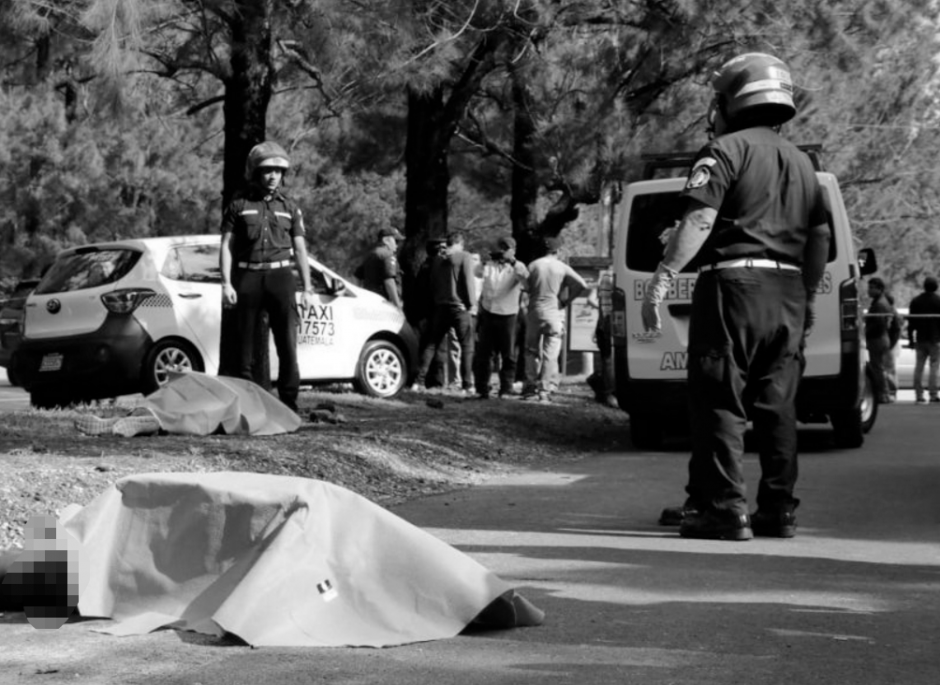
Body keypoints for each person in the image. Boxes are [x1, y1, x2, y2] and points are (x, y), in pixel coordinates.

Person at [642, 53, 831, 540]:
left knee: (720, 400)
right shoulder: (803, 163)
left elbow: (700, 219)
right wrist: (809, 297)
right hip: (788, 290)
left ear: (732, 102)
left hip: (732, 287)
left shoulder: (722, 150)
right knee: (777, 405)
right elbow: (819, 238)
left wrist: (662, 278)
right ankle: (778, 510)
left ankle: (724, 509)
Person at [220, 141, 315, 414]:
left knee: (287, 344)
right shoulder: (239, 205)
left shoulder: (291, 207)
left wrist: (308, 288)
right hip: (247, 277)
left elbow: (300, 249)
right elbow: (226, 246)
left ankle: (289, 406)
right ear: (255, 172)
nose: (273, 176)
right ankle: (248, 406)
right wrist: (226, 284)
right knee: (244, 348)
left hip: (281, 277)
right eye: (267, 170)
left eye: (278, 171)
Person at [523, 236, 587, 402]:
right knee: (550, 354)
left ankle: (530, 386)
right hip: (554, 314)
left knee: (531, 350)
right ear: (557, 250)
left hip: (535, 313)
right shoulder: (562, 267)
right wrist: (566, 301)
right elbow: (582, 284)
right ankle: (544, 390)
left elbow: (525, 287)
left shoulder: (533, 265)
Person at [411, 231, 477, 394]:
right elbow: (468, 281)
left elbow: (433, 283)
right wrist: (471, 304)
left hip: (441, 307)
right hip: (459, 307)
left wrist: (438, 300)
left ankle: (418, 382)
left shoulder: (437, 260)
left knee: (431, 345)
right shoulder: (464, 256)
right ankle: (467, 384)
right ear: (459, 244)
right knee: (467, 346)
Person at [473, 236, 529, 399]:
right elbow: (476, 272)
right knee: (485, 354)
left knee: (508, 354)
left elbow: (527, 283)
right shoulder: (488, 265)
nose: (502, 252)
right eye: (500, 249)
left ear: (512, 251)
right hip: (488, 312)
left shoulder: (518, 266)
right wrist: (486, 260)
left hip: (508, 315)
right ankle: (482, 388)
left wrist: (512, 262)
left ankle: (506, 387)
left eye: (505, 249)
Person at [586, 266, 618, 408]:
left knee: (606, 359)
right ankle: (610, 394)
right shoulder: (613, 277)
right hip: (611, 321)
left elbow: (594, 301)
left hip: (603, 321)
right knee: (609, 359)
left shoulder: (604, 277)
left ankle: (604, 391)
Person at [908, 275, 940, 403]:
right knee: (934, 366)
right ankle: (933, 394)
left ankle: (918, 394)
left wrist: (911, 339)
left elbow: (911, 322)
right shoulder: (938, 301)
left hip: (920, 338)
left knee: (919, 367)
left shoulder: (916, 301)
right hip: (935, 339)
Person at [355, 227, 404, 309]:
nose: (397, 245)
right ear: (386, 240)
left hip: (369, 302)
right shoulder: (387, 255)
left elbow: (357, 276)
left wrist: (360, 296)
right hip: (385, 303)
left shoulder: (370, 254)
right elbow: (389, 281)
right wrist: (397, 304)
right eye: (396, 241)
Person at [864, 278, 894, 405]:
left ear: (880, 289)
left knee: (877, 368)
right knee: (880, 368)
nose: (869, 290)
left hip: (877, 339)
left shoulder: (879, 305)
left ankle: (883, 394)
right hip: (882, 338)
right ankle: (885, 393)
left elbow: (878, 325)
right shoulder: (880, 302)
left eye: (872, 288)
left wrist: (865, 333)